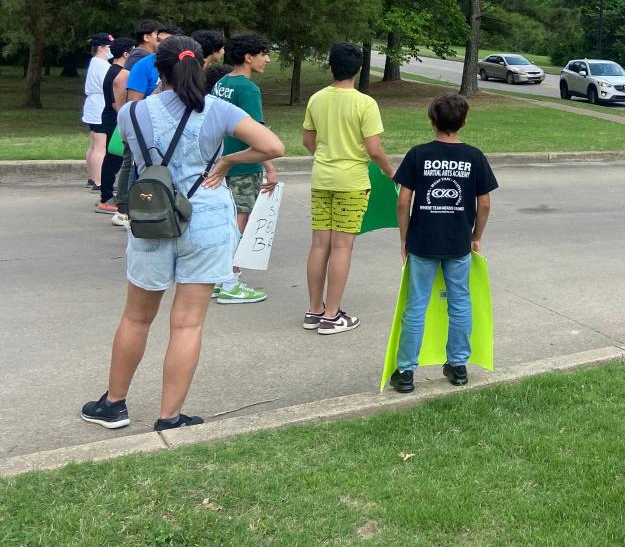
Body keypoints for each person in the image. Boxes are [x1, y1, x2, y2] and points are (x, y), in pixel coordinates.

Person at [81, 36, 284, 432]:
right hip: (206, 219)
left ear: (159, 69)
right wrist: (226, 161)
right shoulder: (218, 110)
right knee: (187, 323)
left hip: (152, 218)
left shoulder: (133, 114)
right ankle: (169, 416)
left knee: (137, 318)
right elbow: (272, 145)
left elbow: (132, 156)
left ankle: (113, 403)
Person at [389, 92, 497, 392]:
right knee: (460, 302)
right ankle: (459, 366)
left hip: (422, 242)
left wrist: (404, 238)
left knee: (416, 305)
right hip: (458, 243)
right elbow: (484, 203)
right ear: (464, 121)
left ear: (432, 121)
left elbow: (403, 202)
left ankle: (406, 372)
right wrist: (476, 237)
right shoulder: (474, 156)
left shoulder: (418, 154)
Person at [302, 42, 392, 335]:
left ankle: (314, 310)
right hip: (351, 182)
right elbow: (374, 149)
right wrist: (388, 171)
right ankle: (331, 316)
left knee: (319, 245)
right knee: (342, 246)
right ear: (359, 69)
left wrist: (324, 156)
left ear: (331, 66)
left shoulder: (316, 99)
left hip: (322, 178)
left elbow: (307, 141)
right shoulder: (365, 103)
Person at [209, 32, 276, 304]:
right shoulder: (248, 89)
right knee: (240, 221)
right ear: (249, 57)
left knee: (227, 221)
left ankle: (219, 276)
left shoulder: (222, 82)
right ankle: (229, 280)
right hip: (242, 165)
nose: (267, 59)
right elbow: (256, 133)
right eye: (263, 54)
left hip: (223, 162)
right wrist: (269, 166)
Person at [109, 19, 164, 228]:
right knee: (131, 162)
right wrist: (122, 110)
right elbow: (120, 81)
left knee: (131, 162)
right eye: (157, 35)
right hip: (139, 118)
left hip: (136, 117)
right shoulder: (141, 57)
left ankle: (124, 206)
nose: (159, 40)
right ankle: (123, 208)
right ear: (146, 36)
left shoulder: (141, 56)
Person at [96, 37, 135, 215]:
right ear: (126, 53)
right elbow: (114, 102)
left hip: (112, 116)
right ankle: (106, 197)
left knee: (116, 157)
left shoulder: (115, 70)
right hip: (114, 116)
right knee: (114, 157)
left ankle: (107, 195)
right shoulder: (118, 73)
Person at [82, 32, 115, 192]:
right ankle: (98, 180)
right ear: (101, 48)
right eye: (109, 47)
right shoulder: (102, 64)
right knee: (101, 147)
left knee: (94, 144)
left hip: (93, 106)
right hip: (99, 106)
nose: (111, 50)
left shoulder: (95, 62)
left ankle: (92, 177)